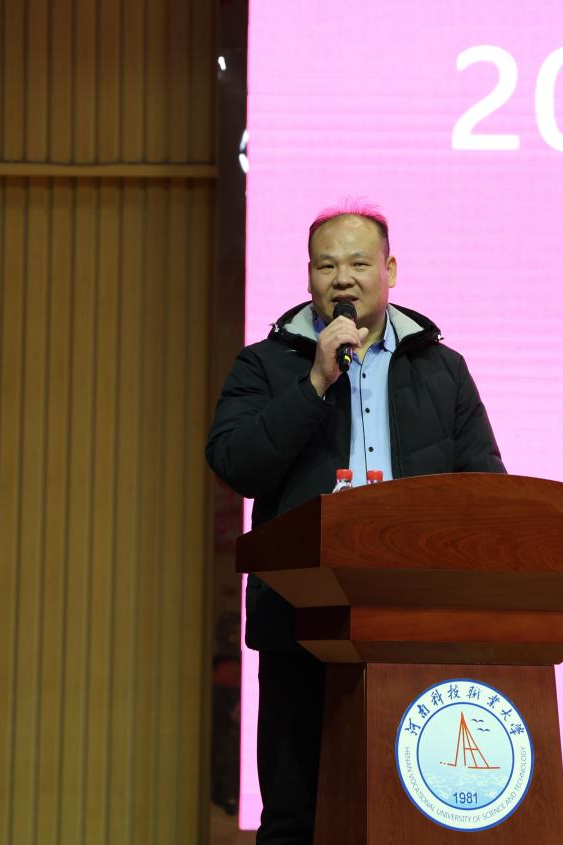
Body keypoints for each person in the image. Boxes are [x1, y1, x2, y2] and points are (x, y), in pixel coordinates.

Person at [206, 201, 504, 843]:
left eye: (359, 263)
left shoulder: (442, 369)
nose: (342, 279)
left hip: (416, 622)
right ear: (309, 277)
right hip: (299, 622)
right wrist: (314, 381)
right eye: (327, 266)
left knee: (413, 818)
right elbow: (235, 464)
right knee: (295, 819)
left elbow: (486, 489)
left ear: (389, 270)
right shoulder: (265, 365)